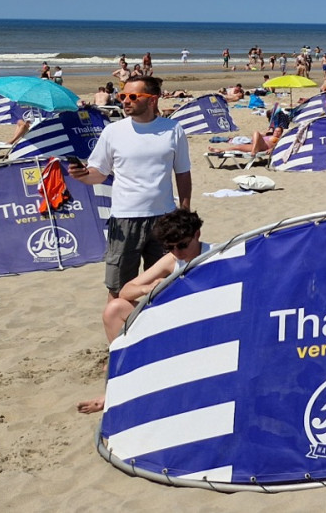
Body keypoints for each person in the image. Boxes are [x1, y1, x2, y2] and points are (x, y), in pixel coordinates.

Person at [68, 75, 192, 299]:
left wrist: (184, 212)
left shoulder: (173, 129)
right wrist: (82, 175)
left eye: (133, 96)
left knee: (165, 286)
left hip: (164, 218)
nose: (125, 101)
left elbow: (182, 172)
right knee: (118, 289)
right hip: (124, 219)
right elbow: (99, 173)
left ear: (152, 100)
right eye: (123, 96)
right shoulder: (113, 131)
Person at [77, 208, 205, 414]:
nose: (178, 252)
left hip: (203, 326)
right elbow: (126, 291)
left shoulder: (215, 255)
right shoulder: (172, 260)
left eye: (182, 245)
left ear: (197, 234)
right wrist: (149, 288)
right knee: (114, 309)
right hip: (173, 322)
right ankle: (117, 389)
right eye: (170, 247)